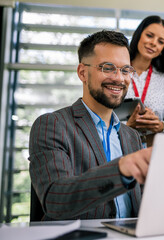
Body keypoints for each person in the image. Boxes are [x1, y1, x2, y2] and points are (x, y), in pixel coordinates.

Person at [28, 30, 151, 220]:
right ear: (82, 73)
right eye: (108, 68)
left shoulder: (131, 136)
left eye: (126, 70)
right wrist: (120, 170)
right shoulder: (52, 125)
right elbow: (55, 200)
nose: (119, 78)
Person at [125, 15, 164, 146]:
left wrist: (161, 126)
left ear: (163, 49)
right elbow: (101, 117)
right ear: (138, 35)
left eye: (161, 41)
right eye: (150, 35)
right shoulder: (117, 73)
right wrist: (127, 126)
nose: (154, 43)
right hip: (118, 150)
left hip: (154, 152)